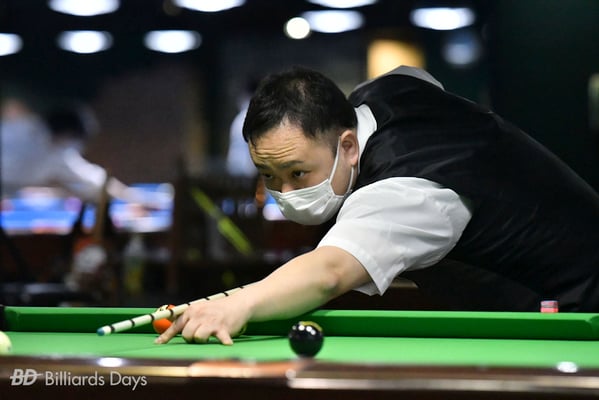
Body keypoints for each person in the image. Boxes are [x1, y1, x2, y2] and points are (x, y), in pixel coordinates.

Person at [156, 65, 599, 346]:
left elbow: (329, 272)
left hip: (580, 316)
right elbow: (422, 81)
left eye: (298, 173)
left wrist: (237, 304)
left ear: (348, 146)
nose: (284, 191)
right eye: (268, 175)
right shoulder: (391, 89)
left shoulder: (408, 190)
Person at [1, 99, 135, 204]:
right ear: (67, 134)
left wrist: (128, 195)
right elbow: (96, 179)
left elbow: (95, 180)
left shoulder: (54, 151)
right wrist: (132, 197)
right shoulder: (52, 151)